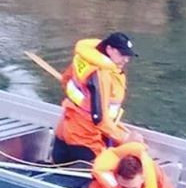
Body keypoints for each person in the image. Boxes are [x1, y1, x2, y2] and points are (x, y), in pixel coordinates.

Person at [51, 32, 139, 167]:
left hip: (64, 130)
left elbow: (66, 80)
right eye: (122, 54)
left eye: (128, 55)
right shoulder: (102, 75)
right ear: (109, 49)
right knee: (96, 176)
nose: (126, 59)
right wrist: (125, 138)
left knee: (58, 169)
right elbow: (99, 118)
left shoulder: (84, 60)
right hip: (84, 139)